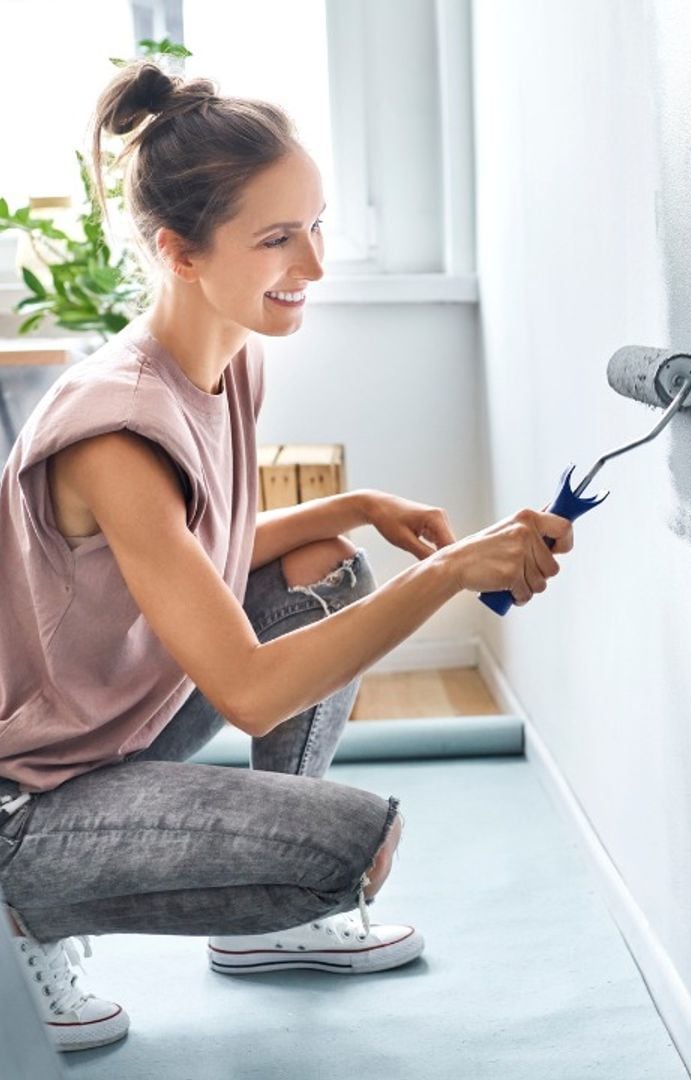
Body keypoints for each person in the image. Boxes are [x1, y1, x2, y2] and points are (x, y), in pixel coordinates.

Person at [0, 61, 573, 1053]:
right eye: (276, 239)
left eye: (315, 224)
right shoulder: (117, 433)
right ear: (178, 252)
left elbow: (194, 564)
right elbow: (252, 693)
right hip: (27, 793)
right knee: (352, 845)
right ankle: (24, 914)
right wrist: (448, 572)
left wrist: (347, 506)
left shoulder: (229, 358)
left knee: (324, 559)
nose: (312, 264)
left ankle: (269, 937)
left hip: (102, 722)